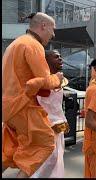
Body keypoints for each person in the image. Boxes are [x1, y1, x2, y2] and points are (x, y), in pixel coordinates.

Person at [2, 12, 63, 178]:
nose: (53, 34)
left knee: (12, 149)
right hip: (23, 106)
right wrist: (57, 79)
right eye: (52, 29)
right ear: (43, 26)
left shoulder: (13, 45)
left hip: (8, 108)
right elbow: (45, 81)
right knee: (45, 143)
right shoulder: (33, 45)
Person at [31, 50, 69, 178]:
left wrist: (64, 120)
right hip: (44, 126)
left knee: (58, 158)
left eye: (60, 56)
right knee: (48, 160)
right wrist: (49, 123)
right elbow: (39, 105)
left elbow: (57, 105)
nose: (60, 59)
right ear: (46, 60)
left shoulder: (60, 80)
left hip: (58, 126)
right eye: (56, 57)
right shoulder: (42, 81)